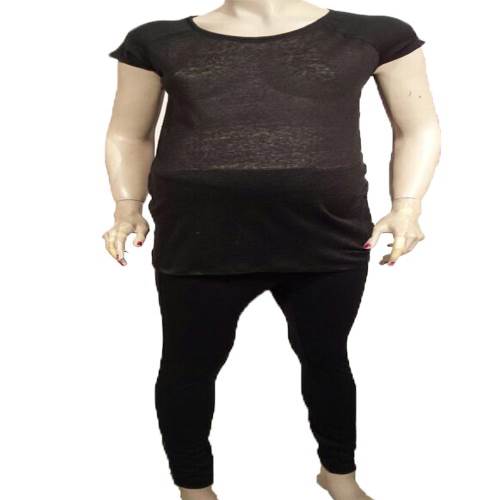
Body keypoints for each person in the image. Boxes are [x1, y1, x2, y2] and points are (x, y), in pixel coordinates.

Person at [103, 2, 441, 499]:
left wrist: (407, 206)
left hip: (325, 233)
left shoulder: (373, 35)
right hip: (200, 236)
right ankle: (194, 488)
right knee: (188, 366)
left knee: (326, 358)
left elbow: (417, 126)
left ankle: (339, 474)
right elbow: (128, 133)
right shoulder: (157, 40)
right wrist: (127, 205)